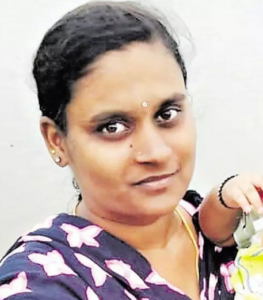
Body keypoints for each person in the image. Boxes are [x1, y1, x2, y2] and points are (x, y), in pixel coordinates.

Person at [0, 1, 263, 299]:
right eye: (112, 127)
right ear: (56, 140)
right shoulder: (44, 281)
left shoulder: (219, 225)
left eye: (167, 114)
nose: (157, 153)